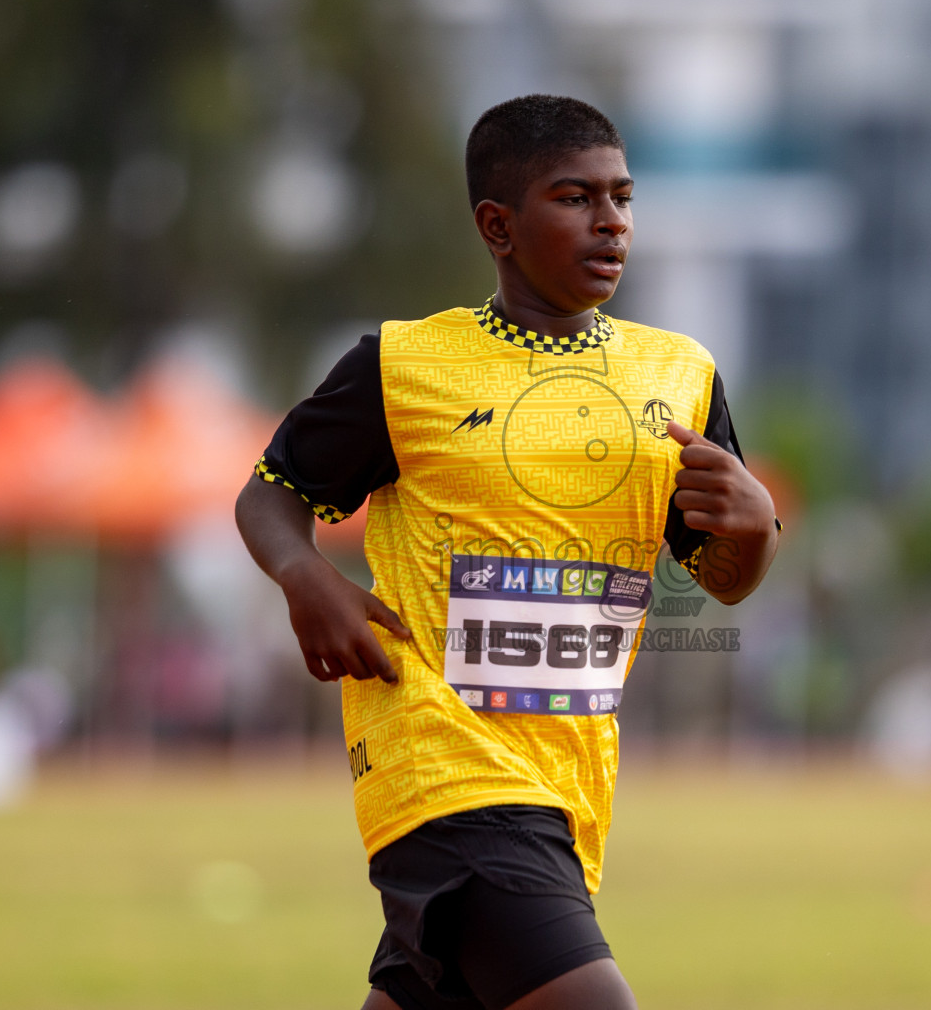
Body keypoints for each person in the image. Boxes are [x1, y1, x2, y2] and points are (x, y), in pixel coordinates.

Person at [236, 94, 779, 1010]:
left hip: (567, 778)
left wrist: (756, 533)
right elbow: (271, 495)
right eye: (575, 198)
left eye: (623, 197)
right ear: (499, 225)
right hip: (437, 759)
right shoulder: (404, 367)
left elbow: (719, 581)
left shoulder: (681, 375)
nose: (611, 222)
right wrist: (306, 578)